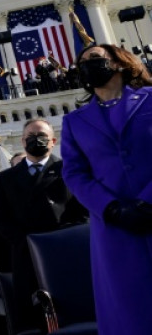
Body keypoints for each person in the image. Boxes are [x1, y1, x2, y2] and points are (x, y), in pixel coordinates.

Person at [61, 43, 152, 334]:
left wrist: (147, 201)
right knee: (129, 309)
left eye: (95, 58)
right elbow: (74, 173)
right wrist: (110, 207)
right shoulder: (74, 122)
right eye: (82, 62)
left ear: (119, 63)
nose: (88, 64)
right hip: (114, 227)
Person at [0, 118, 87, 332]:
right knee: (32, 318)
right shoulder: (5, 178)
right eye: (31, 136)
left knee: (71, 313)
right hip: (26, 255)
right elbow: (0, 217)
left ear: (53, 141)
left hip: (64, 252)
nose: (36, 140)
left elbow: (83, 211)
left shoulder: (68, 170)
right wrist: (25, 241)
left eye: (42, 136)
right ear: (23, 142)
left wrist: (60, 238)